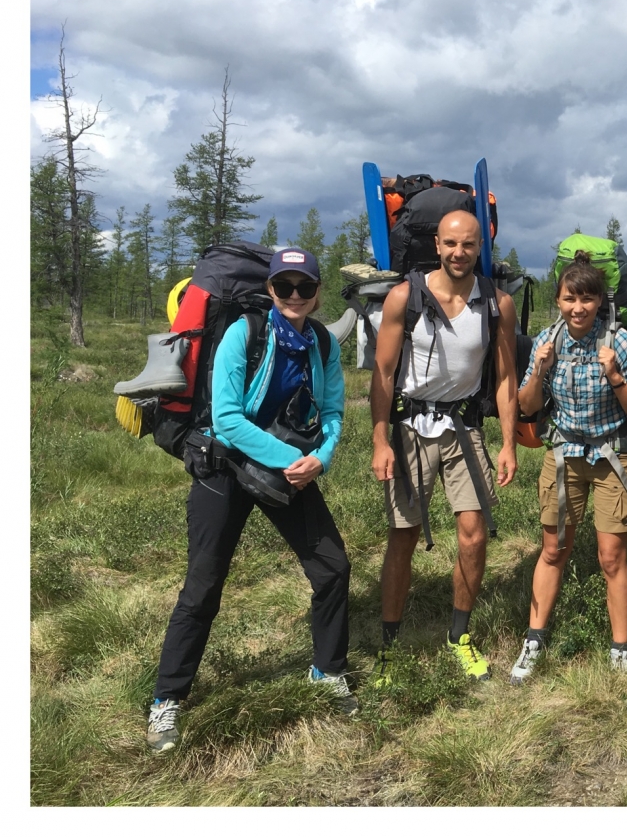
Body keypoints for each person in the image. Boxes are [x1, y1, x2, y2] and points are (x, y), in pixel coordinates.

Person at [146, 247, 355, 753]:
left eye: (305, 287)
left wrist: (320, 459)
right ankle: (166, 700)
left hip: (291, 471)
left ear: (318, 292)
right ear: (271, 290)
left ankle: (327, 670)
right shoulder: (245, 333)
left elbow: (332, 410)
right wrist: (291, 457)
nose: (295, 296)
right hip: (226, 467)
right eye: (285, 286)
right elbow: (227, 418)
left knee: (333, 568)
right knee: (203, 585)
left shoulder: (322, 342)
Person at [370, 210, 518, 683]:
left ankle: (459, 636)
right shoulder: (404, 298)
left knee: (474, 535)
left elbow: (506, 378)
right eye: (451, 244)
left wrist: (509, 443)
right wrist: (378, 437)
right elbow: (384, 373)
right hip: (409, 427)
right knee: (404, 535)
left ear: (480, 247)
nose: (459, 253)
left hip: (463, 427)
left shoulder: (496, 304)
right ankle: (390, 647)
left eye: (468, 245)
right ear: (437, 244)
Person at [509, 251, 627, 683]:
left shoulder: (618, 342)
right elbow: (527, 408)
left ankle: (620, 650)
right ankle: (534, 640)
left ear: (600, 301)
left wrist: (616, 378)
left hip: (611, 456)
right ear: (559, 300)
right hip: (564, 453)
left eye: (587, 299)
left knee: (612, 556)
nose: (578, 307)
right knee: (553, 551)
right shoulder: (547, 341)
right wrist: (539, 372)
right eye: (570, 298)